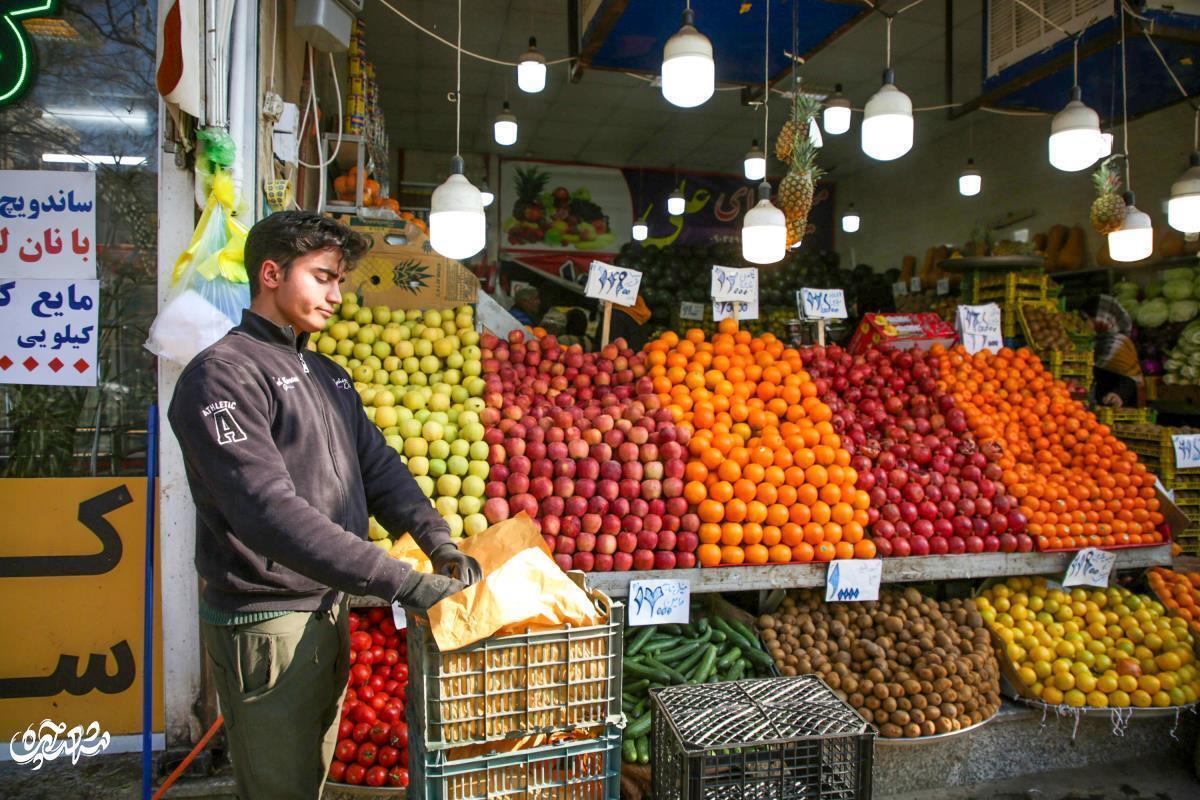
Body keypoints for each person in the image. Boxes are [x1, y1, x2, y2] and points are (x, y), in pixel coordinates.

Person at [168, 211, 482, 799]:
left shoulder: (324, 372)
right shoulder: (222, 377)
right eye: (323, 277)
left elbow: (379, 465)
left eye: (340, 280)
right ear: (270, 273)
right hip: (267, 623)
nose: (337, 295)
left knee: (310, 779)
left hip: (326, 609)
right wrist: (403, 583)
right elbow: (268, 513)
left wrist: (437, 540)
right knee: (279, 788)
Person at [1081, 294, 1143, 408]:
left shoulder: (1119, 343)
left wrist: (1118, 394)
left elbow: (1131, 376)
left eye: (1086, 319)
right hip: (1101, 406)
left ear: (1102, 317)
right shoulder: (1097, 342)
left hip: (1119, 408)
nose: (1084, 324)